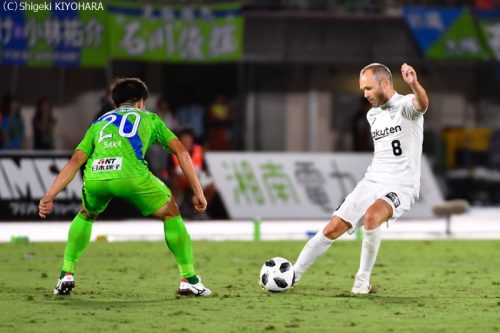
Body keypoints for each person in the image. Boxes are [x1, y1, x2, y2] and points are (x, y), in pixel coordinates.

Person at [38, 78, 212, 297]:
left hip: (96, 176)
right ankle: (190, 279)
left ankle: (66, 273)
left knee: (86, 214)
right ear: (140, 102)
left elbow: (75, 161)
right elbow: (181, 152)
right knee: (170, 212)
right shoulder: (150, 118)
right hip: (131, 176)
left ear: (116, 102)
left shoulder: (99, 122)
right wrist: (198, 191)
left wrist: (50, 195)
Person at [293, 63, 429, 294]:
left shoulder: (405, 105)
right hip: (372, 181)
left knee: (372, 217)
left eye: (368, 88)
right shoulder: (372, 115)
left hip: (402, 185)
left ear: (385, 83)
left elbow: (422, 103)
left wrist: (414, 84)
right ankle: (292, 275)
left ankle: (362, 281)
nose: (365, 94)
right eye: (362, 89)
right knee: (332, 229)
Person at [168, 127, 216, 218]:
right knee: (176, 178)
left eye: (188, 138)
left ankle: (200, 210)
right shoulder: (174, 151)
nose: (186, 141)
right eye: (184, 138)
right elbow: (170, 170)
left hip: (197, 179)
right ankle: (175, 208)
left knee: (211, 185)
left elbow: (205, 170)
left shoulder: (199, 151)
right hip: (181, 179)